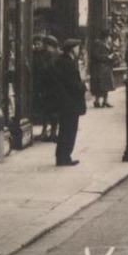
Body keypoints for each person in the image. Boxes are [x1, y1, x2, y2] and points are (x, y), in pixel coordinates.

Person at [51, 40, 88, 168]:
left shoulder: (61, 62)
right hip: (70, 102)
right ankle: (65, 157)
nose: (79, 50)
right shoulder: (69, 64)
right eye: (77, 48)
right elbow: (73, 85)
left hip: (64, 102)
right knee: (69, 130)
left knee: (64, 129)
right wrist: (83, 86)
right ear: (72, 49)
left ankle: (61, 156)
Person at [88, 31, 118, 109]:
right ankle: (97, 101)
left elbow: (111, 54)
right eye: (109, 37)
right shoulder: (97, 43)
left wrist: (113, 56)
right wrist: (108, 57)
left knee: (106, 86)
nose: (110, 39)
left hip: (106, 68)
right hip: (99, 68)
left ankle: (105, 101)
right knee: (99, 85)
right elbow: (95, 55)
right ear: (105, 37)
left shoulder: (108, 45)